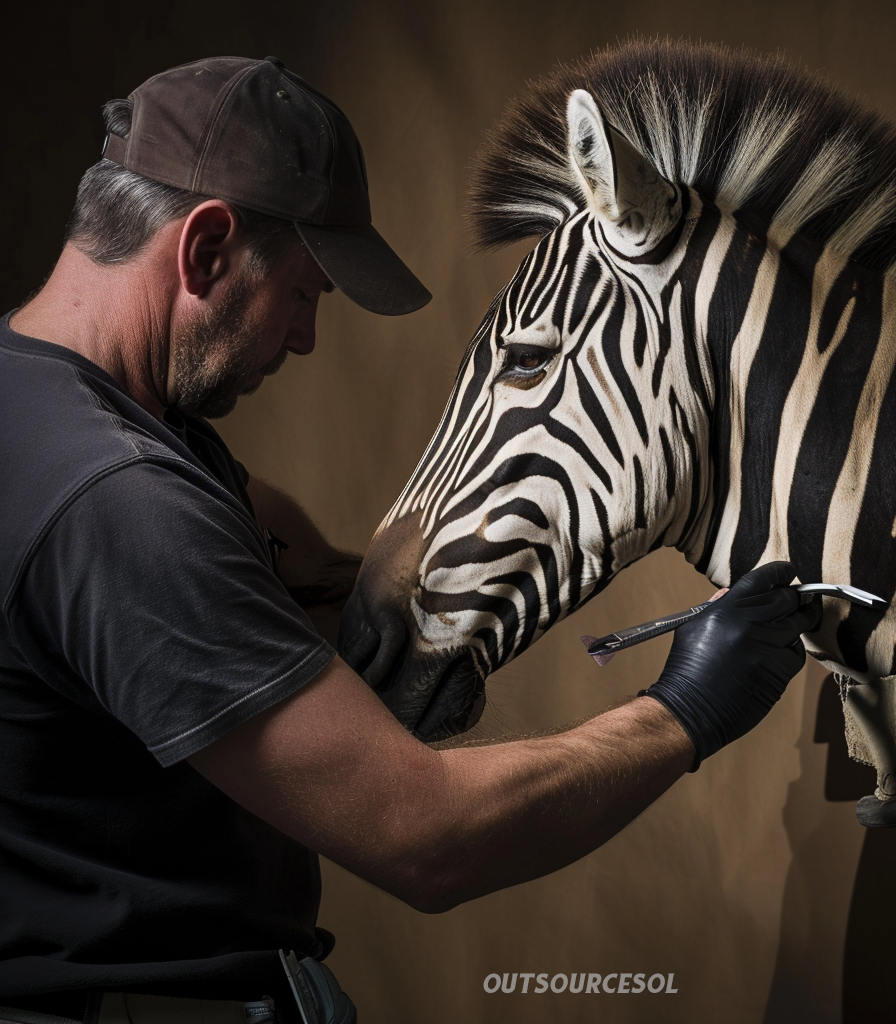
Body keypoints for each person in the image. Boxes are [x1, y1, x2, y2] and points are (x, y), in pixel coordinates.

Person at [0, 56, 821, 1024]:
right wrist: (687, 705)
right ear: (206, 248)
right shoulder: (119, 502)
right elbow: (427, 837)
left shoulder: (55, 419)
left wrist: (408, 580)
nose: (303, 338)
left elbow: (249, 556)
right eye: (304, 292)